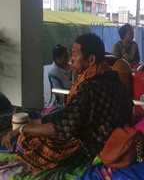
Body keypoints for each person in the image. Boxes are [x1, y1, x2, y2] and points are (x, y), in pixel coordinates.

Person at [1, 33, 134, 170]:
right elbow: (72, 113)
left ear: (91, 59)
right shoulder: (112, 77)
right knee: (49, 118)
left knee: (29, 141)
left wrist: (23, 129)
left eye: (75, 55)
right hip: (113, 136)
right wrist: (37, 122)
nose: (71, 59)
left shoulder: (90, 87)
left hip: (95, 148)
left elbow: (61, 128)